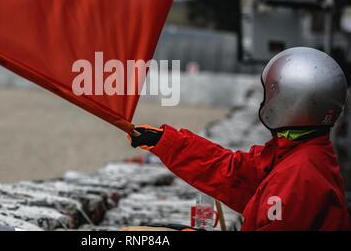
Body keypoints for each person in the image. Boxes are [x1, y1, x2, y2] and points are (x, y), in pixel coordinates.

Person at [129, 47, 350, 231]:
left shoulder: (298, 175)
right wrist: (167, 142)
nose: (265, 101)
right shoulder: (298, 152)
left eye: (270, 94)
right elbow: (233, 172)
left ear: (290, 102)